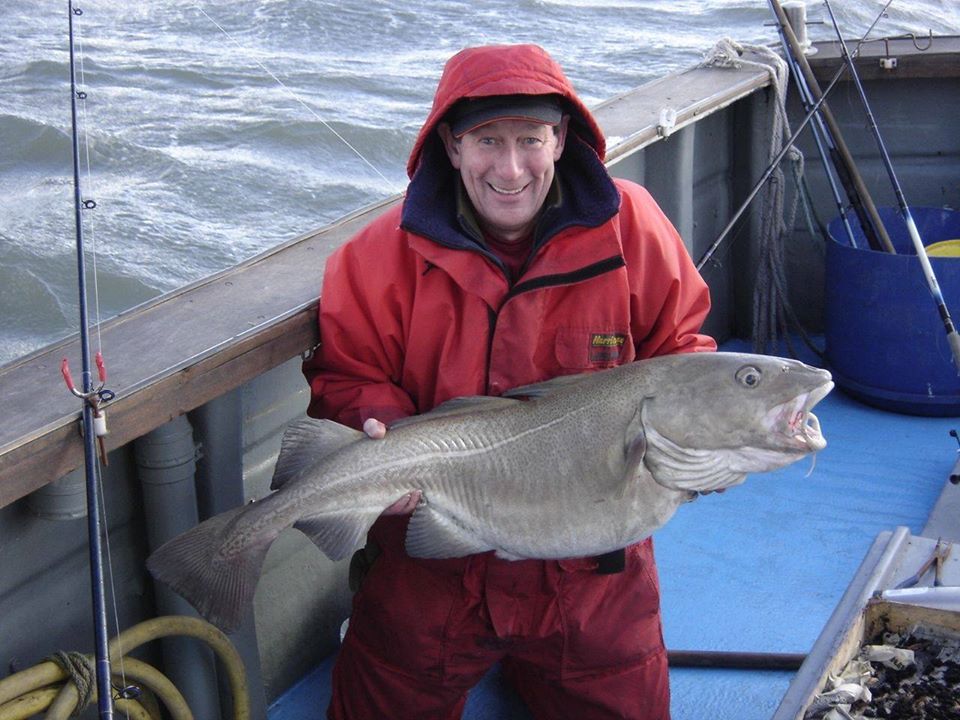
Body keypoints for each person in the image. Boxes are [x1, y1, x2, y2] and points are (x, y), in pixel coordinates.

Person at [303, 43, 716, 720]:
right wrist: (373, 423)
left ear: (561, 139)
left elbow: (683, 351)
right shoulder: (374, 256)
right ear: (450, 146)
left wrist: (707, 443)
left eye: (531, 139)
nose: (511, 167)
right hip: (430, 568)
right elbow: (348, 375)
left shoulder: (633, 227)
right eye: (486, 141)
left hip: (594, 570)